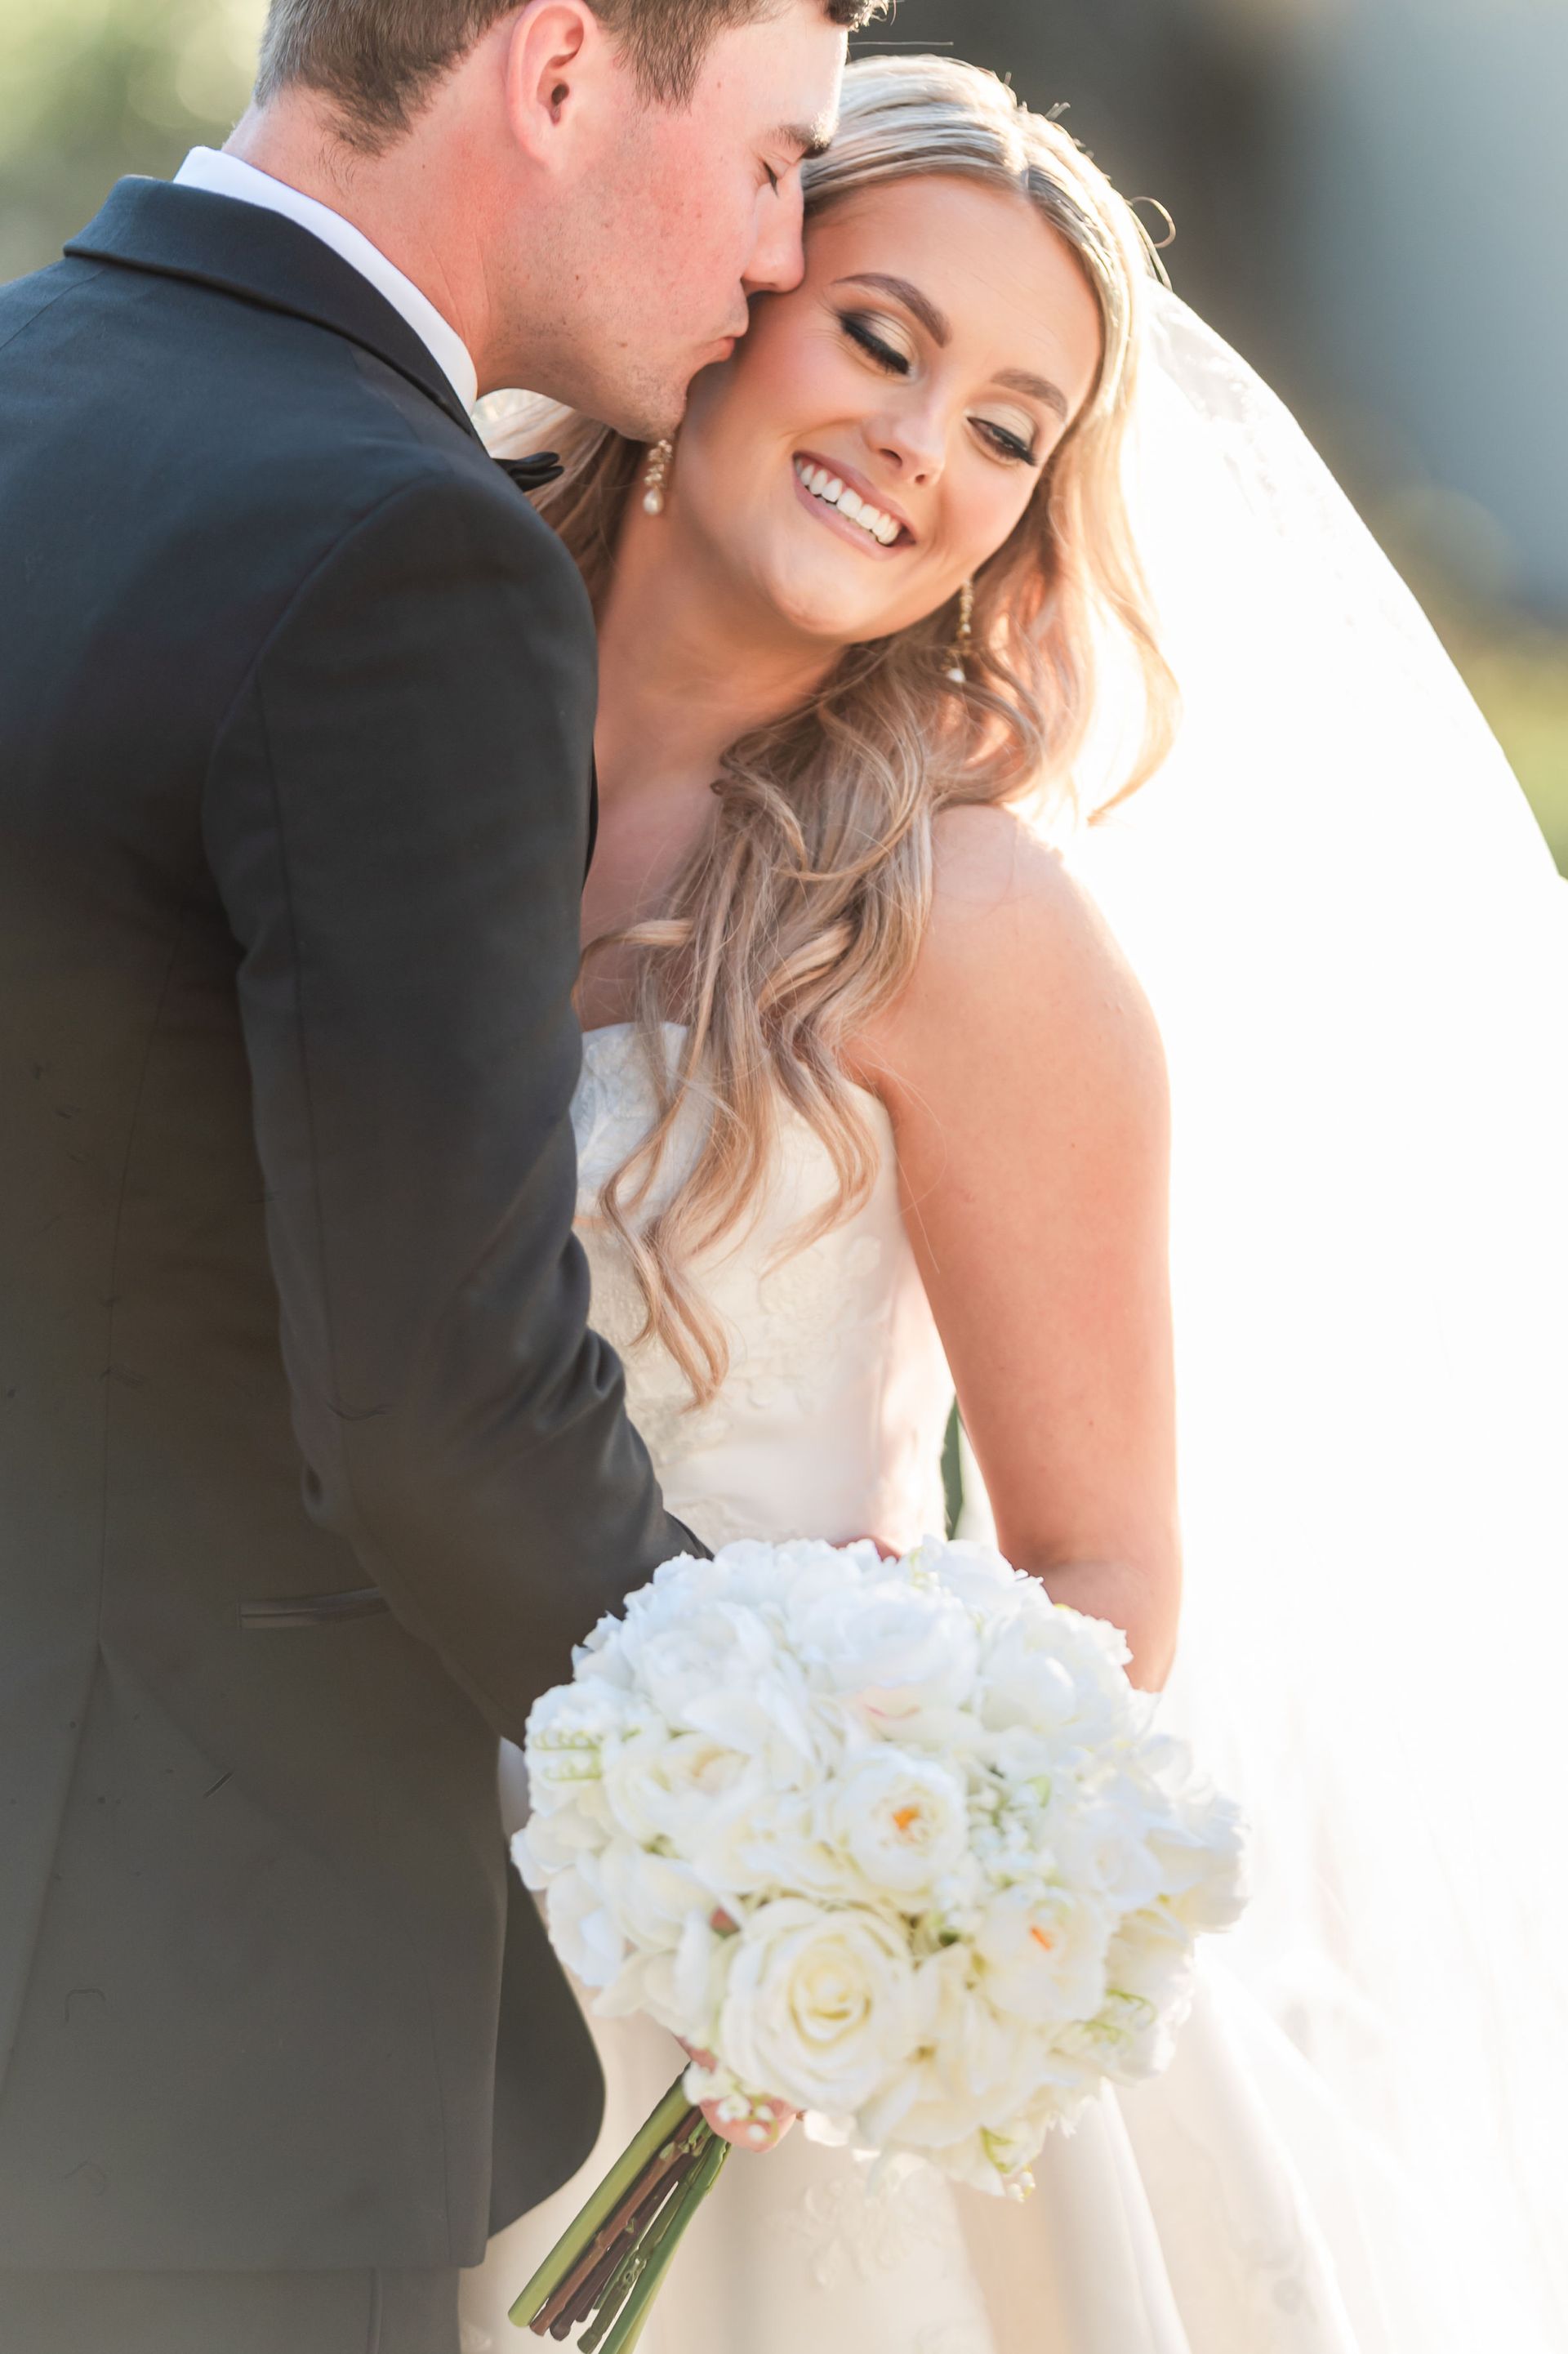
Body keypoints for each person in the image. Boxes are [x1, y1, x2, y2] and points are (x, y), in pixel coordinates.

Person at [468, 54, 1568, 2354]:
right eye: (882, 337)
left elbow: (1104, 1571)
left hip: (740, 2012)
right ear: (728, 304)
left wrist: (815, 1889)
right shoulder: (390, 722)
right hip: (319, 1889)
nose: (922, 446)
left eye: (1009, 426)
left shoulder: (967, 924)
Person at [0, 2, 864, 2348]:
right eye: (775, 158)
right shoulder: (408, 551)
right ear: (564, 73)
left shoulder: (26, 380)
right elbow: (439, 1403)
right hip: (185, 2063)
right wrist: (820, 1793)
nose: (783, 255)